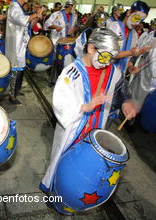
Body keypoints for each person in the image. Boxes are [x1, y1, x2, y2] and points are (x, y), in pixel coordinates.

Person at [40, 28, 139, 212]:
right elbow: (60, 103)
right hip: (73, 128)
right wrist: (84, 107)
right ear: (92, 48)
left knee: (84, 166)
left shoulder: (112, 71)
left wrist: (126, 103)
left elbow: (121, 89)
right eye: (104, 57)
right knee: (62, 162)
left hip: (95, 129)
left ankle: (74, 196)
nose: (107, 63)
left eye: (111, 58)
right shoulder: (72, 72)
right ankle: (56, 194)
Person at [5, 0, 41, 105]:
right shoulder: (14, 6)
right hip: (16, 45)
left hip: (20, 44)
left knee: (20, 69)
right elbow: (21, 20)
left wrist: (36, 16)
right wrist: (36, 14)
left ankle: (15, 91)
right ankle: (12, 95)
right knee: (17, 69)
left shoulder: (19, 8)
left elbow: (27, 24)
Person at [107, 1, 150, 75]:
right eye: (136, 18)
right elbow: (108, 54)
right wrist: (130, 52)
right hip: (106, 71)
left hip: (119, 74)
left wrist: (130, 65)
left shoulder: (134, 34)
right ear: (129, 12)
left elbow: (127, 57)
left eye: (140, 21)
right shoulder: (113, 27)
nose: (137, 23)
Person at [45, 0, 78, 85]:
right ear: (69, 6)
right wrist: (55, 27)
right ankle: (52, 80)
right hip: (57, 41)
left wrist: (74, 29)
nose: (75, 8)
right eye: (74, 6)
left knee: (66, 60)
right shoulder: (57, 14)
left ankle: (63, 81)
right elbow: (46, 25)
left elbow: (77, 27)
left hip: (67, 42)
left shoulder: (74, 16)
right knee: (56, 60)